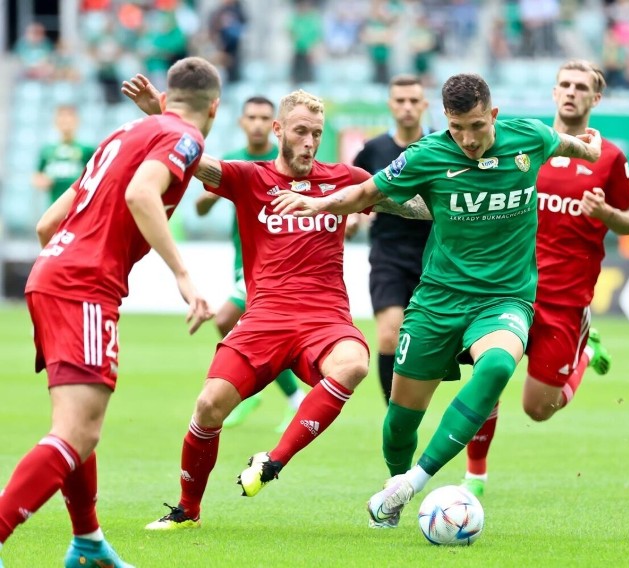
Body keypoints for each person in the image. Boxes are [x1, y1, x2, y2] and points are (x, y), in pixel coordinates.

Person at [273, 72, 603, 528]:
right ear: (444, 120)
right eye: (457, 128)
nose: (467, 139)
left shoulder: (528, 137)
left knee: (498, 365)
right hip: (437, 302)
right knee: (398, 425)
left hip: (504, 298)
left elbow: (570, 145)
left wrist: (591, 147)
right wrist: (320, 205)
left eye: (476, 126)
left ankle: (418, 479)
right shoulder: (427, 155)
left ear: (494, 115)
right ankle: (395, 491)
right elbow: (368, 192)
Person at [120, 75, 430, 531]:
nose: (310, 142)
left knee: (354, 364)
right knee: (208, 408)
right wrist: (161, 115)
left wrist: (445, 198)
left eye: (317, 134)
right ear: (279, 131)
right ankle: (188, 510)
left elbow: (415, 206)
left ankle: (273, 462)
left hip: (325, 320)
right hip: (263, 319)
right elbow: (192, 163)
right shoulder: (250, 177)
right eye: (301, 131)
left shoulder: (345, 182)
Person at [0, 56, 220, 568]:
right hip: (83, 287)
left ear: (167, 97)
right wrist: (184, 277)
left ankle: (88, 543)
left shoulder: (122, 133)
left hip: (50, 275)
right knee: (78, 431)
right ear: (215, 106)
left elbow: (45, 225)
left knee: (74, 424)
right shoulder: (185, 138)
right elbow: (141, 192)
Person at [461, 60, 629, 497]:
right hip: (509, 290)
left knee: (537, 409)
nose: (571, 92)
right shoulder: (527, 145)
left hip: (565, 300)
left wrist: (607, 215)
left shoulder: (609, 159)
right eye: (564, 84)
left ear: (595, 99)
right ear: (553, 92)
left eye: (581, 87)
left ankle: (583, 354)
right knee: (487, 376)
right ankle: (475, 476)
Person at [195, 95, 305, 430]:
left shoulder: (285, 162)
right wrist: (211, 196)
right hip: (243, 262)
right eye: (251, 117)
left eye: (263, 118)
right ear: (242, 123)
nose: (257, 124)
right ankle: (278, 395)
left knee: (227, 318)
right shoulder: (232, 163)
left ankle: (276, 395)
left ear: (275, 126)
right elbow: (199, 210)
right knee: (251, 331)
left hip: (276, 265)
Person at [351, 74, 432, 404]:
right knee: (389, 336)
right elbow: (356, 193)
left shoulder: (439, 147)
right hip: (388, 255)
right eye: (401, 100)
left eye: (414, 101)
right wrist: (354, 218)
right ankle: (394, 416)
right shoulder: (373, 151)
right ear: (390, 105)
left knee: (439, 344)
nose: (407, 107)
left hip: (434, 256)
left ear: (424, 105)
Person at [33, 105, 96, 207]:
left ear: (77, 121)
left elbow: (96, 175)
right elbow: (37, 175)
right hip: (54, 205)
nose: (65, 122)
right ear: (55, 122)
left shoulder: (87, 149)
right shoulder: (47, 150)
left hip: (79, 205)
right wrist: (42, 181)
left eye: (69, 118)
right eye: (62, 119)